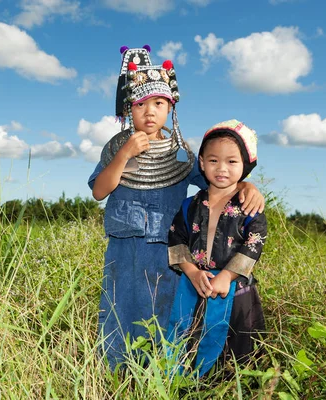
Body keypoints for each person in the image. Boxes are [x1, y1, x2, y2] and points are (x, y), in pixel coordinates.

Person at [87, 46, 265, 371]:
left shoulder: (181, 153)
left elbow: (215, 182)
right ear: (129, 107)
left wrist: (245, 186)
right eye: (141, 104)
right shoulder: (116, 147)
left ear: (170, 107)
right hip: (124, 248)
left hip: (168, 255)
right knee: (119, 309)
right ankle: (114, 374)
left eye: (159, 103)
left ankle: (158, 375)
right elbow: (100, 190)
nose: (150, 112)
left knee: (165, 313)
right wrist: (125, 155)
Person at [166, 119, 267, 378]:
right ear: (201, 163)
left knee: (237, 356)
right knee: (189, 341)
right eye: (213, 160)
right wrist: (192, 272)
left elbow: (254, 244)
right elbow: (176, 240)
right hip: (197, 289)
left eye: (232, 161)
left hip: (237, 296)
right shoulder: (190, 204)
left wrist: (227, 275)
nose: (221, 168)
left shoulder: (249, 206)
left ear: (245, 166)